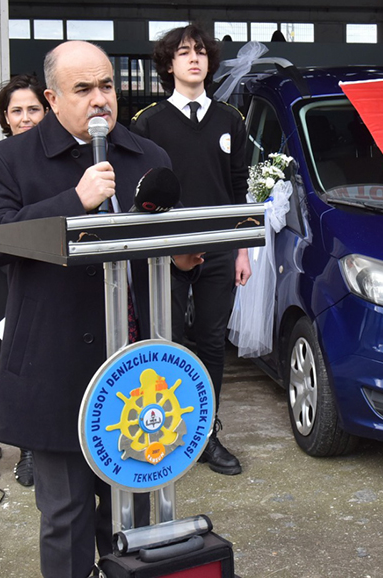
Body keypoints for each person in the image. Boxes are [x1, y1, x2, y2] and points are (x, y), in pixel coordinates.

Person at [0, 41, 202, 578]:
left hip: (135, 369)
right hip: (55, 366)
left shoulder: (149, 156)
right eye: (83, 89)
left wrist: (182, 260)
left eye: (106, 85)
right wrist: (74, 201)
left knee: (132, 511)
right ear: (53, 99)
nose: (100, 99)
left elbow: (160, 241)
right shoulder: (8, 160)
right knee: (66, 513)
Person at [131, 24, 251, 476]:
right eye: (183, 53)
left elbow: (239, 188)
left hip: (220, 245)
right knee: (168, 339)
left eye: (200, 51)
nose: (194, 59)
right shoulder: (148, 122)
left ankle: (206, 433)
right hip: (167, 247)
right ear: (168, 65)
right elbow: (140, 193)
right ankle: (164, 429)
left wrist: (242, 250)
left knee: (212, 340)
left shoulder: (230, 119)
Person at [0, 73, 48, 487]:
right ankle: (27, 451)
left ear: (47, 110)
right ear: (4, 117)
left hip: (55, 276)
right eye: (16, 110)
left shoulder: (60, 160)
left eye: (33, 109)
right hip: (8, 276)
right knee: (18, 371)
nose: (25, 117)